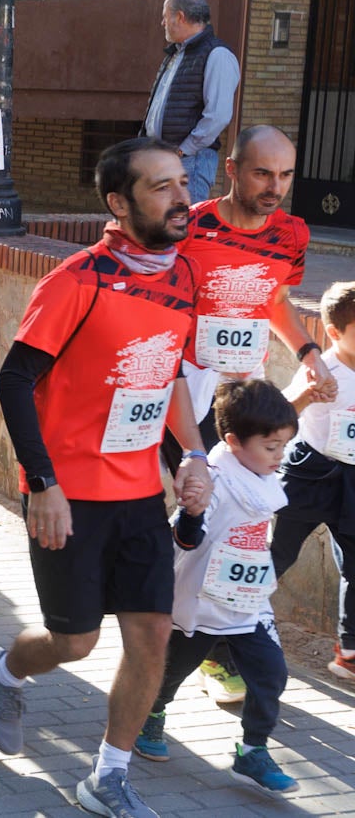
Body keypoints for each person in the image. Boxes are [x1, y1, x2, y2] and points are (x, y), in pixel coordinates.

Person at [0, 137, 214, 818]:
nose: (181, 198)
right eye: (162, 187)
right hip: (69, 492)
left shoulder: (183, 276)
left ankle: (108, 775)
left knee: (153, 633)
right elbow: (14, 380)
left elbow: (167, 374)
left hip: (139, 492)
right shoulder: (77, 280)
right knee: (75, 641)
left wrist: (192, 456)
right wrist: (42, 483)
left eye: (182, 183)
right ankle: (2, 669)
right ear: (118, 202)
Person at [163, 124, 333, 702]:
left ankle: (210, 646)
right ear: (232, 169)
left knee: (236, 524)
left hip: (244, 393)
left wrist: (308, 352)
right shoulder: (192, 226)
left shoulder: (291, 233)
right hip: (187, 387)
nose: (274, 187)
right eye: (262, 173)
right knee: (205, 512)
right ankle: (187, 641)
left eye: (285, 175)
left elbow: (276, 301)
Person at [132, 379, 300, 796]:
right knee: (174, 668)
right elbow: (185, 536)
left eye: (283, 446)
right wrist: (192, 515)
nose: (279, 456)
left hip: (246, 602)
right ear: (233, 442)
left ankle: (253, 750)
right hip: (200, 600)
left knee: (271, 673)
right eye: (271, 446)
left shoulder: (263, 475)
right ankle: (151, 712)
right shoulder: (211, 480)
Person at [272, 279, 355, 683]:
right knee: (276, 554)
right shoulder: (322, 369)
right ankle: (224, 629)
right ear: (335, 333)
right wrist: (308, 393)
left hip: (352, 479)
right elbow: (280, 413)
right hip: (308, 474)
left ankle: (349, 653)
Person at [141, 0, 240, 202]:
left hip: (190, 162)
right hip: (166, 159)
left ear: (180, 17)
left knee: (185, 220)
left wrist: (184, 150)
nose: (162, 23)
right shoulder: (177, 54)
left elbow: (218, 116)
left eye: (165, 16)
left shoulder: (217, 55)